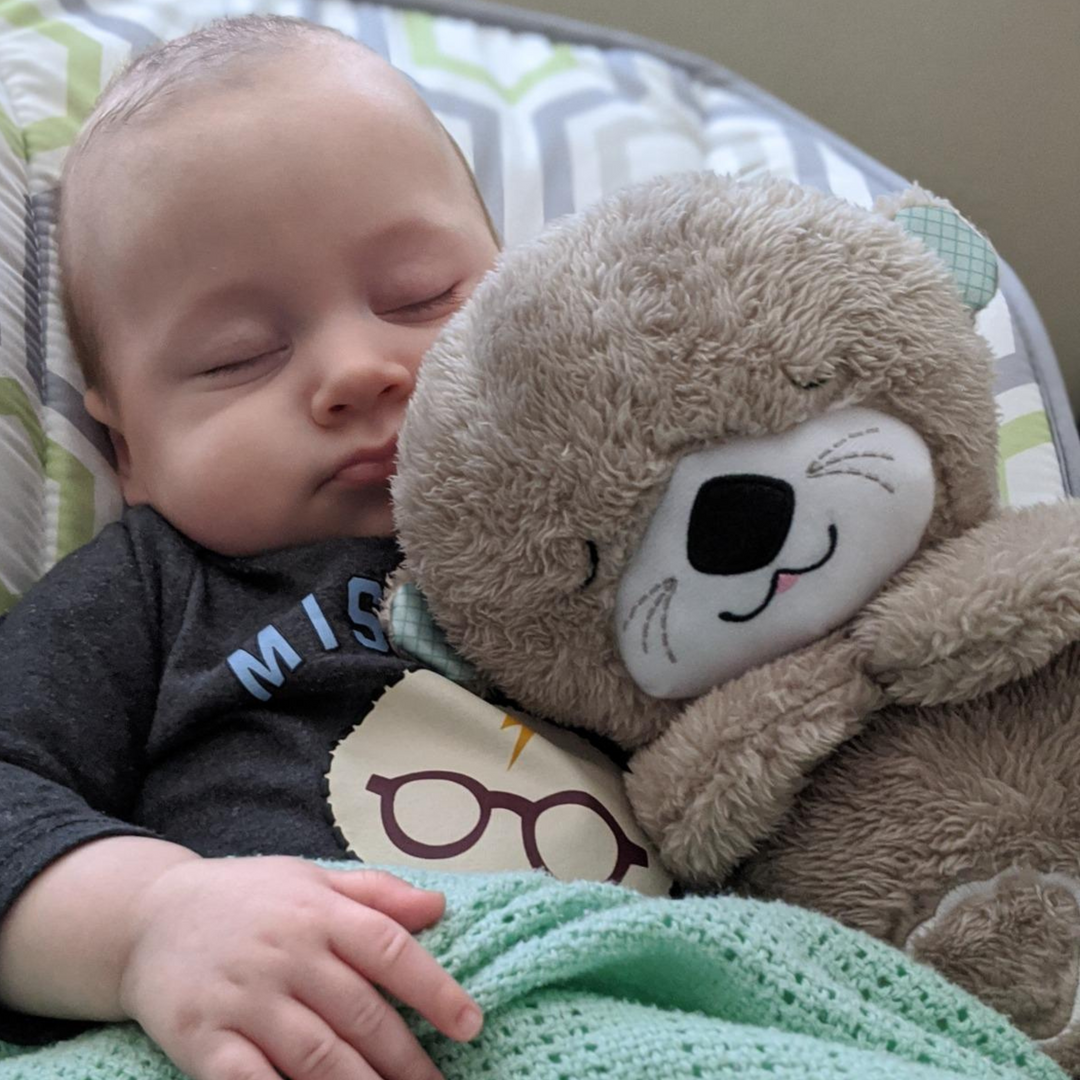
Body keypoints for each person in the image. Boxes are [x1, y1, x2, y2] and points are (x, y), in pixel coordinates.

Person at [0, 15, 503, 1080]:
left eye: (422, 296)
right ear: (128, 448)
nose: (359, 370)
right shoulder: (156, 586)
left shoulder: (627, 525)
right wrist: (148, 922)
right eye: (238, 357)